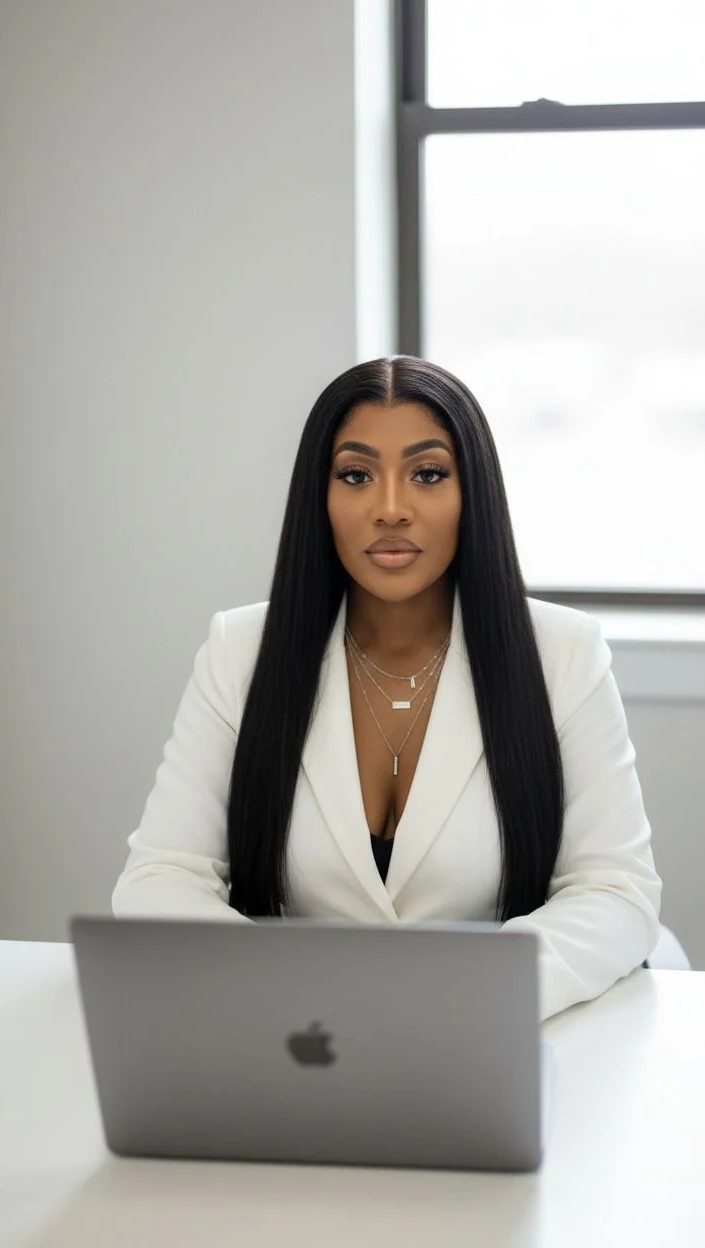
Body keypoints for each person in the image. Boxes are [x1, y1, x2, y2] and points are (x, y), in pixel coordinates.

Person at [112, 355, 661, 1021]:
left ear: (472, 494)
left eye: (428, 474)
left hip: (488, 1043)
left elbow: (614, 890)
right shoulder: (241, 651)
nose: (391, 509)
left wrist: (463, 995)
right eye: (356, 475)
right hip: (297, 1046)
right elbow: (160, 878)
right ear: (321, 496)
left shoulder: (563, 654)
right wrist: (281, 987)